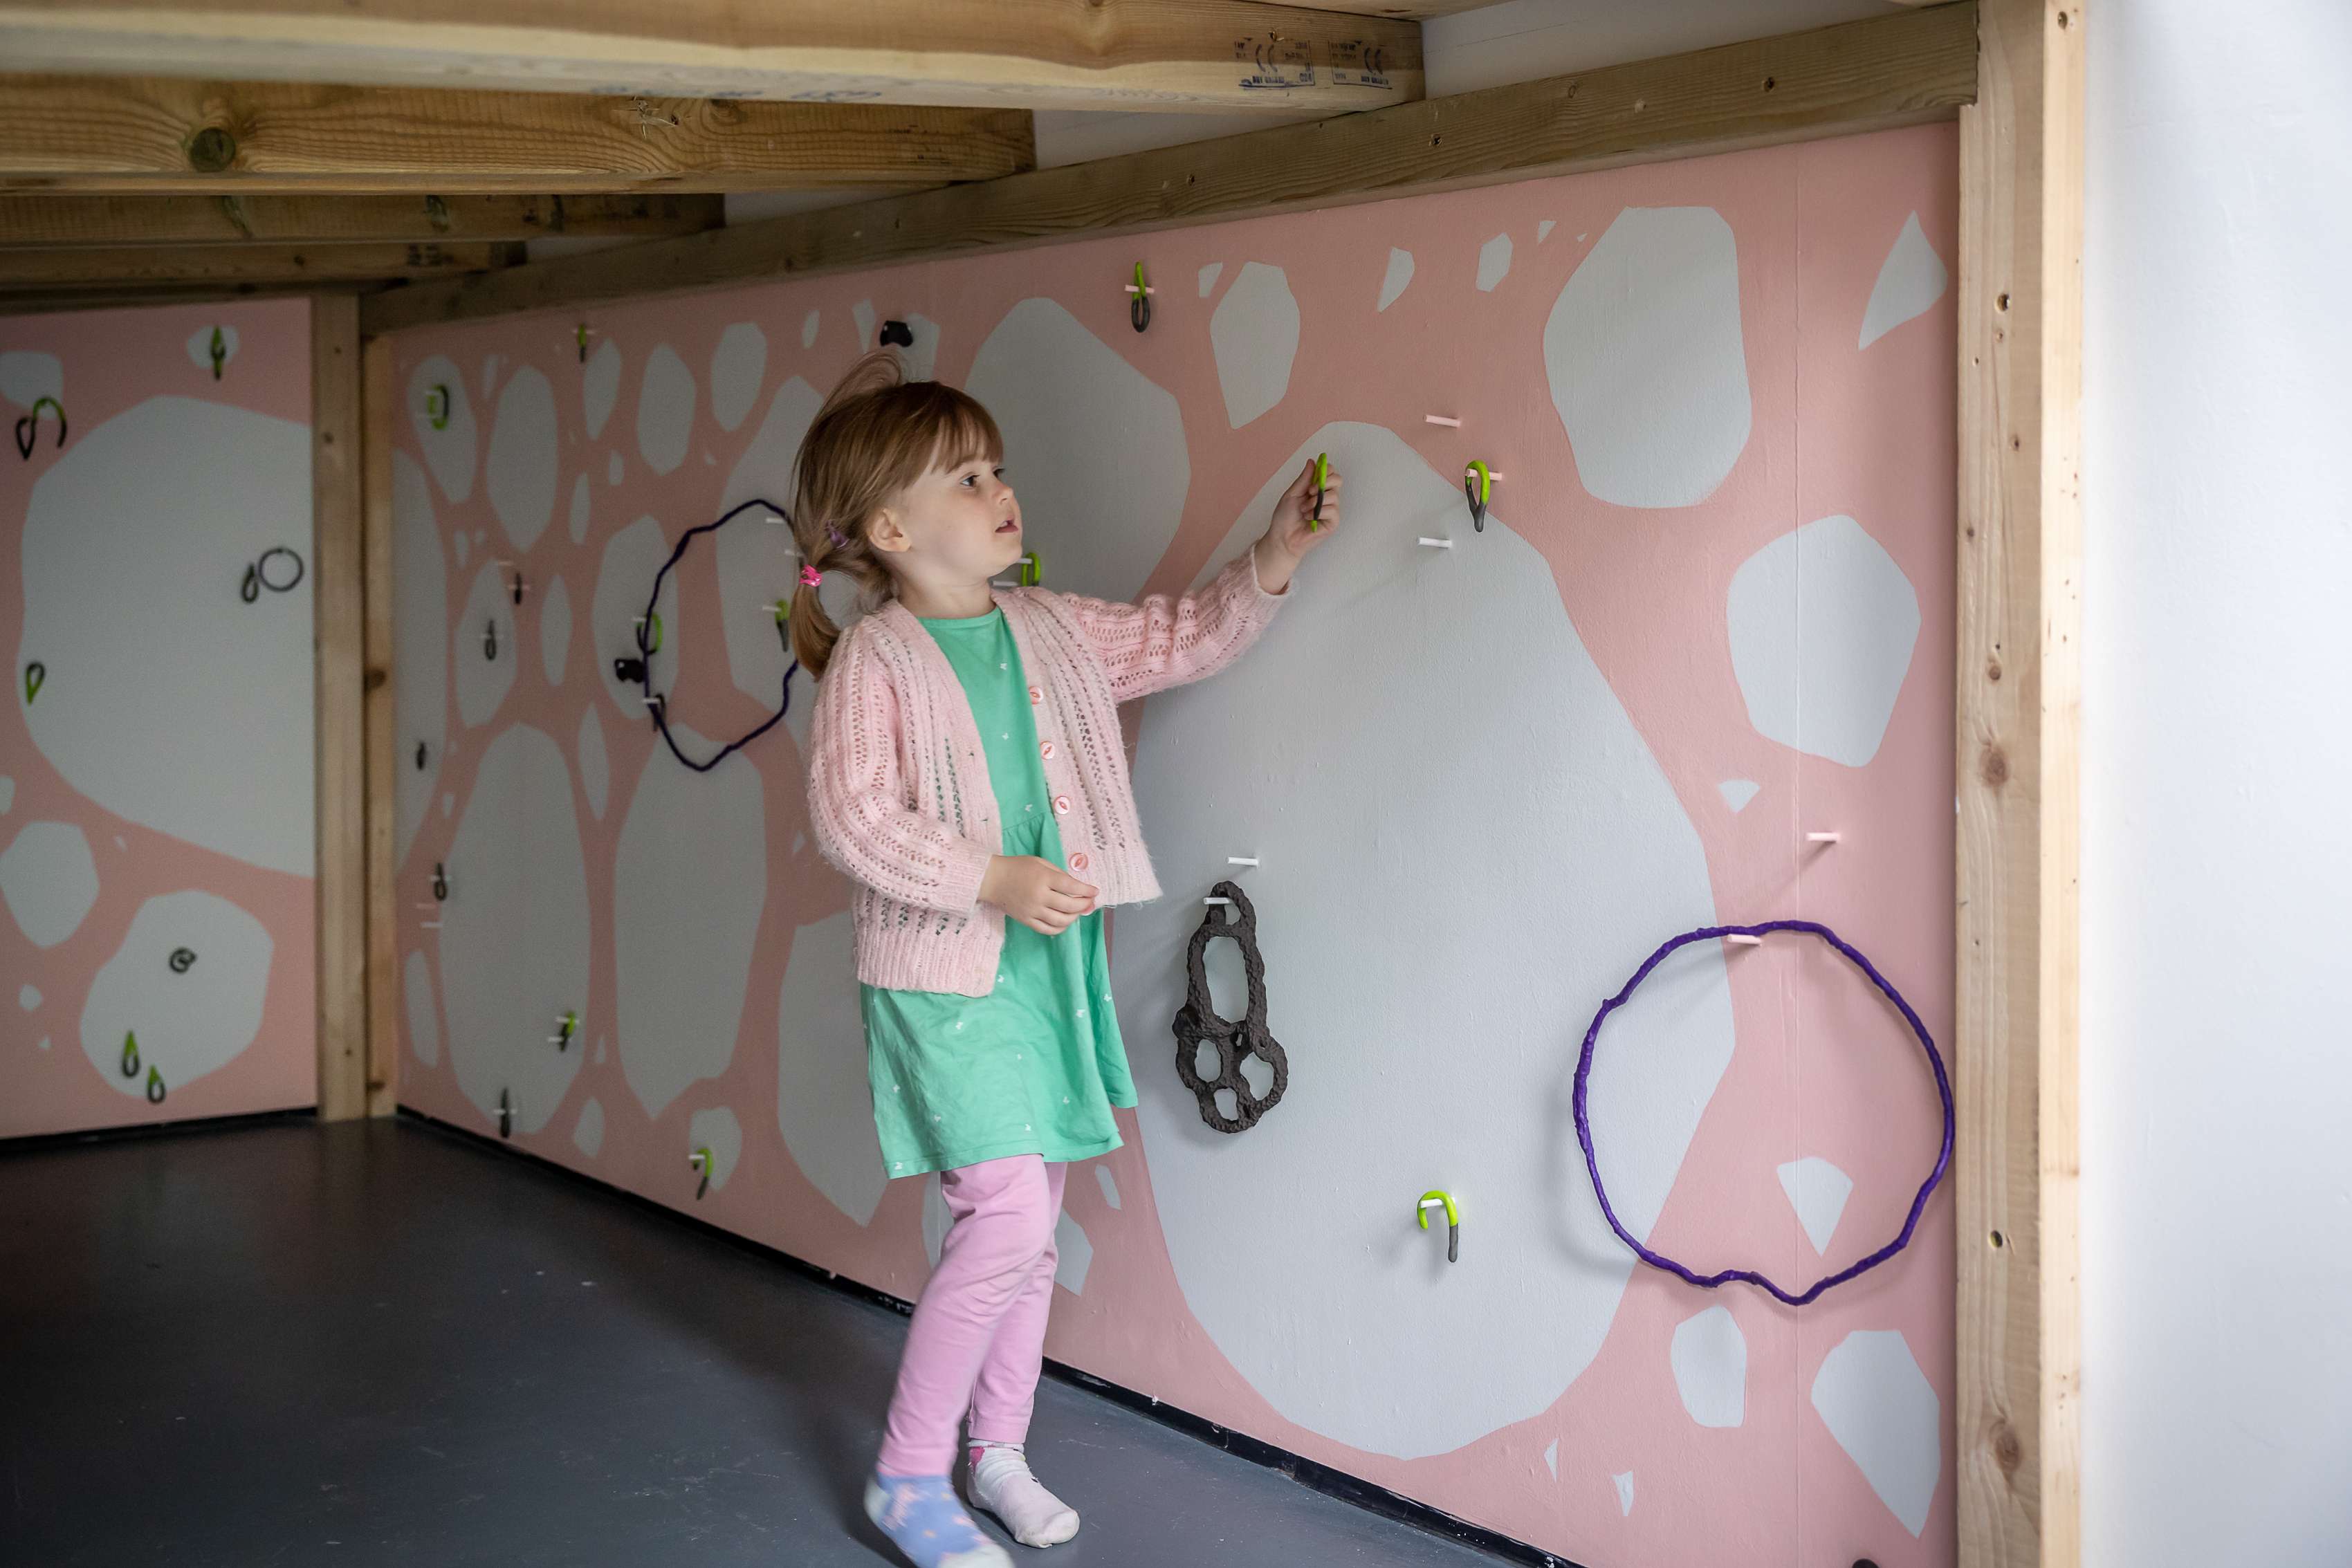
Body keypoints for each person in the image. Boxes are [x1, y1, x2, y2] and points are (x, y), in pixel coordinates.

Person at [796, 349, 1341, 1565]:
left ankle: (997, 1453)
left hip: (1050, 968)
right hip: (944, 980)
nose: (1003, 493)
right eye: (969, 478)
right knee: (999, 1221)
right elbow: (854, 817)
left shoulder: (1045, 626)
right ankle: (907, 1476)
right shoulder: (879, 661)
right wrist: (986, 877)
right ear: (892, 528)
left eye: (998, 470)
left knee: (1033, 1225)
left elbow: (1181, 639)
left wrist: (1277, 556)